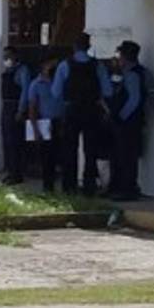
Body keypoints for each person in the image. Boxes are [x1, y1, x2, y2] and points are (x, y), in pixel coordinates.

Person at [52, 32, 112, 195]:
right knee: (90, 149)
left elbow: (56, 92)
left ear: (74, 47)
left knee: (69, 148)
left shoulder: (65, 65)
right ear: (89, 46)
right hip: (92, 110)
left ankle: (69, 186)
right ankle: (89, 186)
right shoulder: (97, 66)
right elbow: (107, 91)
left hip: (72, 109)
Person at [108, 40, 147, 201]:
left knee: (126, 156)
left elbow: (134, 99)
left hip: (128, 122)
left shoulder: (132, 74)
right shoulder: (130, 72)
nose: (119, 59)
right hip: (131, 121)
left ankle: (127, 188)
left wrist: (120, 117)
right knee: (122, 154)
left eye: (121, 55)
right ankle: (120, 187)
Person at [27, 58, 64, 192]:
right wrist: (35, 129)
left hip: (61, 121)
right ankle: (48, 188)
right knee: (47, 157)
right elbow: (32, 108)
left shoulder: (60, 81)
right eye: (51, 65)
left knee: (63, 155)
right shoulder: (36, 84)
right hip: (45, 122)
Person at [1, 47, 32, 185]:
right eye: (4, 56)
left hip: (15, 107)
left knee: (16, 142)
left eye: (8, 56)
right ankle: (10, 171)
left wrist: (21, 110)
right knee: (7, 141)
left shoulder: (22, 70)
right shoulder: (7, 71)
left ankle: (17, 173)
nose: (6, 59)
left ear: (15, 56)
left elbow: (25, 91)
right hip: (6, 107)